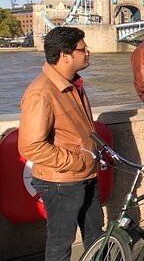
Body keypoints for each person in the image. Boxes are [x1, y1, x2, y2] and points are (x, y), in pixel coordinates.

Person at [18, 27, 103, 261]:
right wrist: (76, 161)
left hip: (85, 174)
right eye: (83, 49)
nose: (88, 52)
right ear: (65, 55)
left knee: (96, 234)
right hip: (61, 181)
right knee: (60, 242)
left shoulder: (73, 83)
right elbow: (30, 146)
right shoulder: (41, 92)